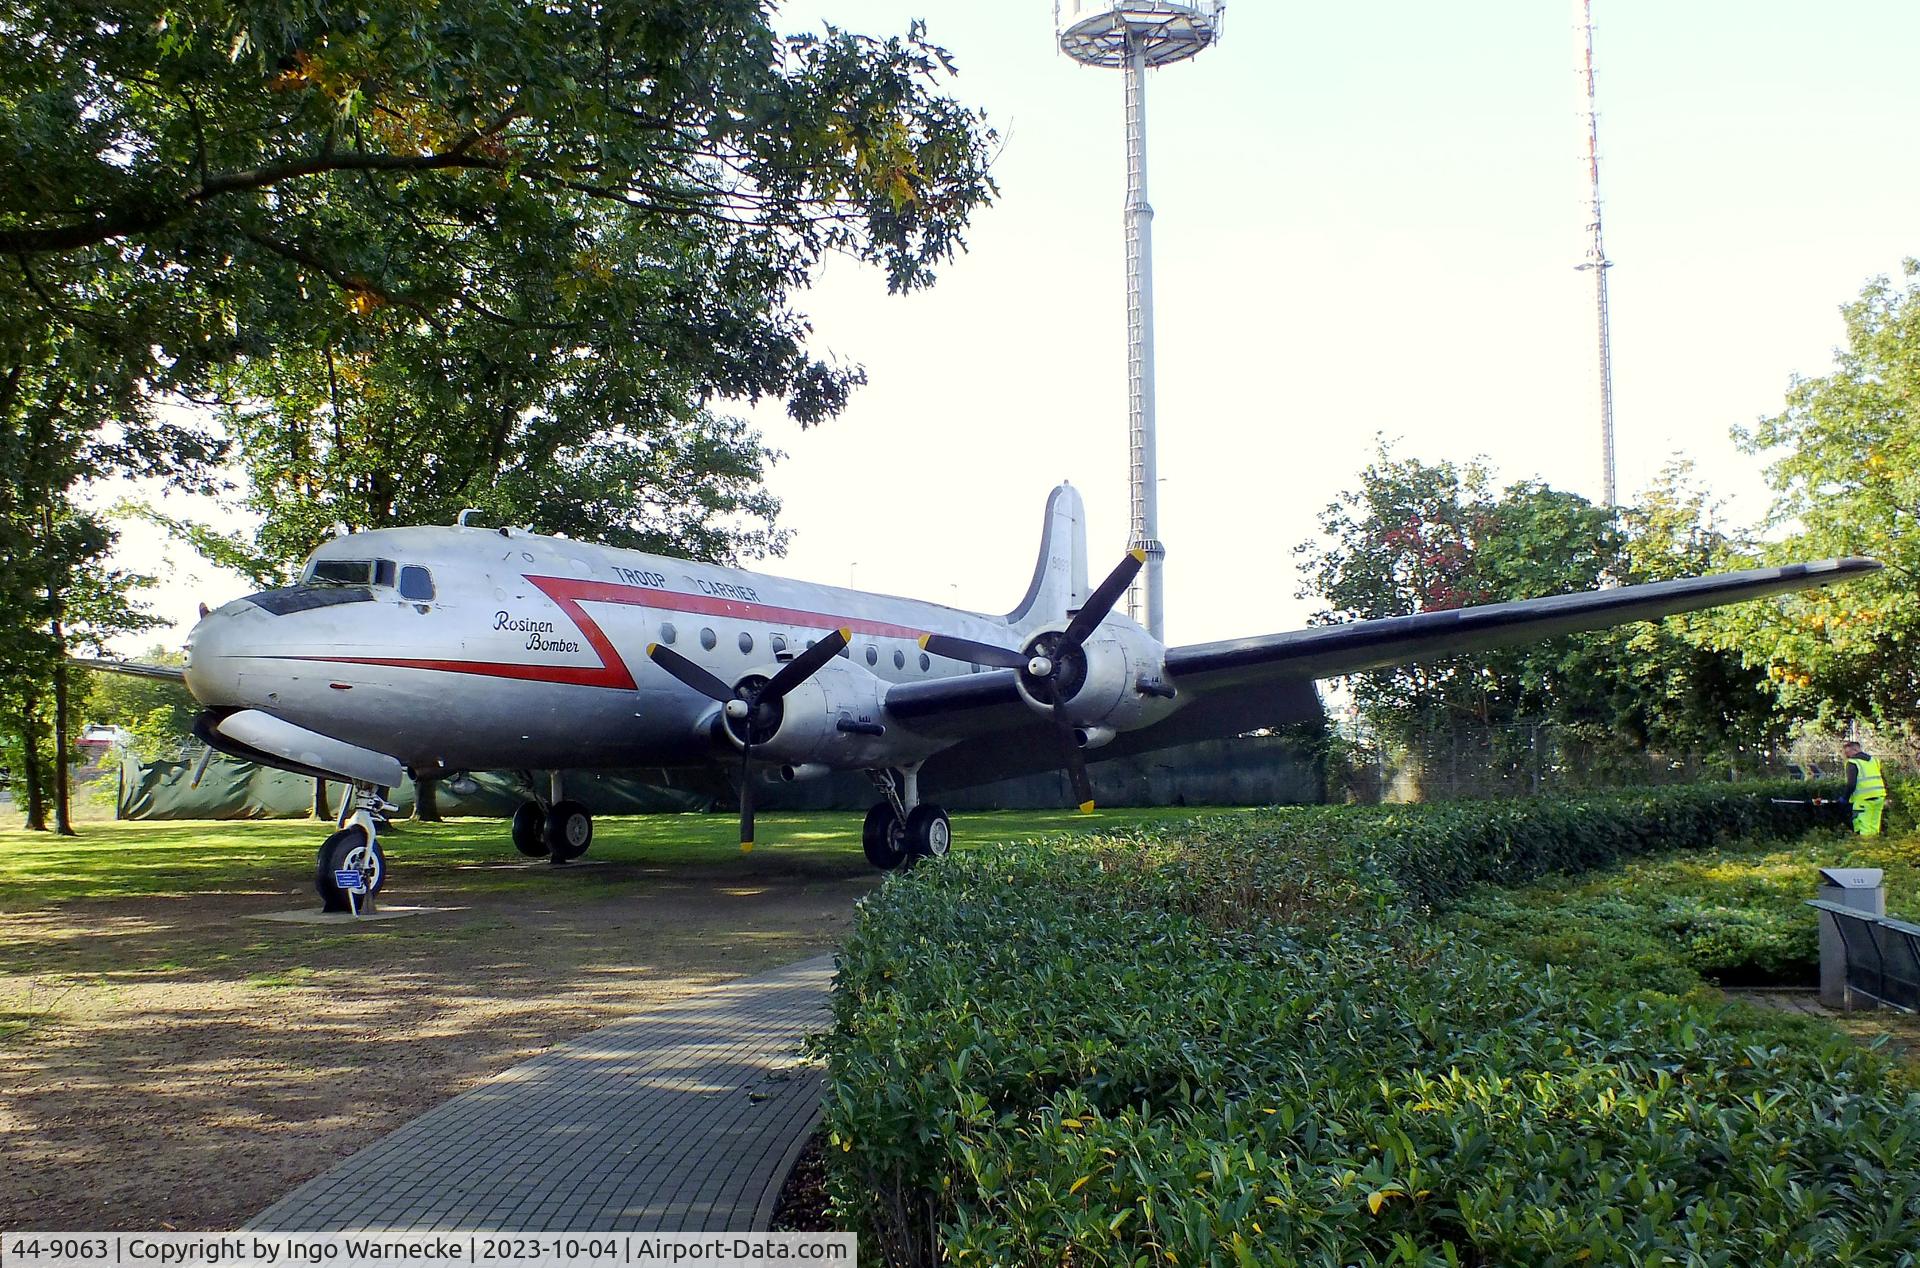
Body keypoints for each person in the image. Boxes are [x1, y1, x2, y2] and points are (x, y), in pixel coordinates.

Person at [1841, 739, 1887, 837]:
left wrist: (1845, 798)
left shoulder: (1852, 762)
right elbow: (1883, 778)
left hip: (1863, 799)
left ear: (1855, 750)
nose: (1846, 755)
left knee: (1864, 827)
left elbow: (1851, 784)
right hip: (1879, 797)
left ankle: (1866, 848)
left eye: (1847, 752)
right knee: (1874, 825)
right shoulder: (1874, 760)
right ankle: (1874, 847)